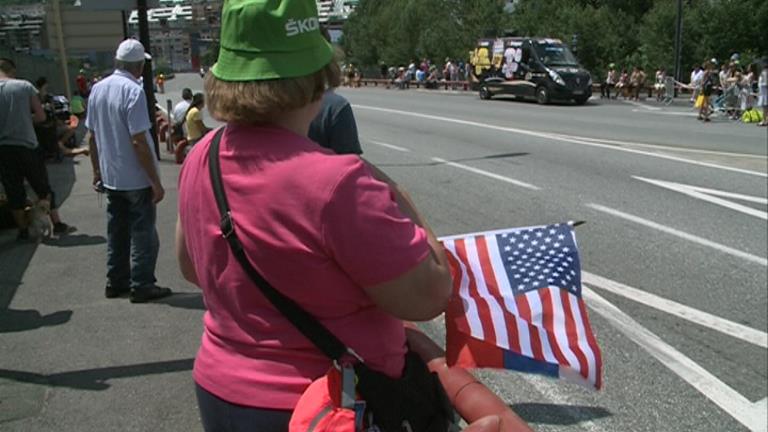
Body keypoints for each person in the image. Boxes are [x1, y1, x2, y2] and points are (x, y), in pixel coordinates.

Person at [175, 0, 452, 430]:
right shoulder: (337, 183)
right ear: (316, 77)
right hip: (325, 407)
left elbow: (192, 267)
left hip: (220, 391)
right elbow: (429, 294)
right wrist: (399, 195)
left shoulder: (201, 157)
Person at [85, 39, 171, 303]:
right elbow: (139, 141)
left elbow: (91, 137)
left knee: (117, 232)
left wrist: (97, 171)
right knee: (143, 235)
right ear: (140, 66)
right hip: (135, 178)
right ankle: (142, 285)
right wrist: (155, 182)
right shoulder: (133, 92)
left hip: (111, 177)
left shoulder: (97, 89)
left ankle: (116, 281)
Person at [0, 58, 72, 240]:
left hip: (4, 149)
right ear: (12, 70)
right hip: (27, 145)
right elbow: (40, 116)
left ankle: (23, 229)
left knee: (14, 190)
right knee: (42, 185)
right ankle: (57, 224)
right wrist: (24, 119)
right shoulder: (24, 86)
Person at [758, 59, 768, 127]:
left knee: (765, 106)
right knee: (765, 106)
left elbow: (766, 83)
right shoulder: (763, 72)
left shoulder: (765, 72)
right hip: (763, 92)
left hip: (765, 92)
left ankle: (764, 120)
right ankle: (765, 120)